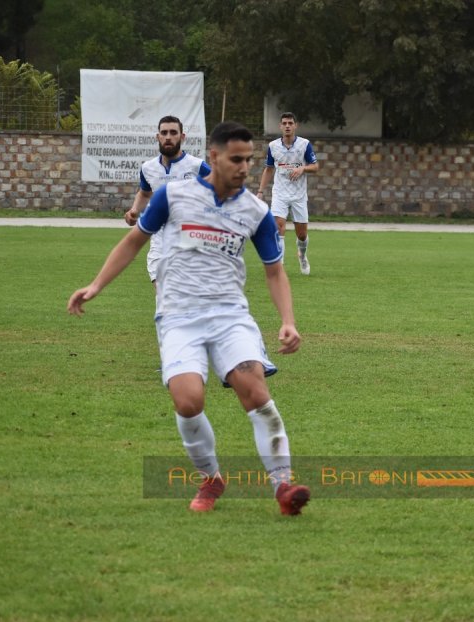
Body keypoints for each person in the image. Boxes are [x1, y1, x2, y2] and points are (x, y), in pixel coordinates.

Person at [69, 121, 311, 516]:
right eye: (236, 159)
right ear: (214, 157)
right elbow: (133, 242)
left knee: (256, 393)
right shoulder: (172, 196)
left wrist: (288, 320)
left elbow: (274, 269)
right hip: (178, 316)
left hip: (230, 316)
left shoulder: (256, 211)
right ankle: (210, 477)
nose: (243, 167)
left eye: (248, 160)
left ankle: (283, 485)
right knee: (187, 401)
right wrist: (96, 286)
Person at [123, 116, 210, 284]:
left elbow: (221, 191)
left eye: (173, 132)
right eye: (164, 133)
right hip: (160, 237)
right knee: (162, 290)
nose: (168, 137)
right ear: (158, 137)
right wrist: (134, 211)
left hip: (190, 237)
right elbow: (145, 193)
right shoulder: (148, 168)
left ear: (182, 137)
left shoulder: (197, 166)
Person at [257, 112, 319, 276]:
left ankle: (302, 256)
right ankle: (280, 267)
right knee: (278, 227)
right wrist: (260, 191)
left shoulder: (305, 145)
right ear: (280, 126)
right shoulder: (273, 146)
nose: (287, 126)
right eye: (284, 123)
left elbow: (315, 166)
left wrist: (303, 168)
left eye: (290, 123)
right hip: (280, 193)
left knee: (302, 234)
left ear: (295, 125)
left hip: (299, 195)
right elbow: (269, 169)